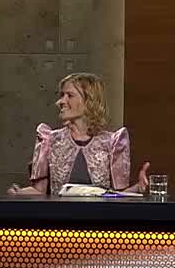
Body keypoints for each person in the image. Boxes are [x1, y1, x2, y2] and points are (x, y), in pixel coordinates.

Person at [8, 72, 149, 196]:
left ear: (89, 101)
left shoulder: (113, 143)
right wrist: (18, 193)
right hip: (59, 221)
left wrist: (138, 187)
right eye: (62, 95)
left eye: (69, 95)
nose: (61, 101)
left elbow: (118, 196)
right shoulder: (49, 140)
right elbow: (39, 191)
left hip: (100, 221)